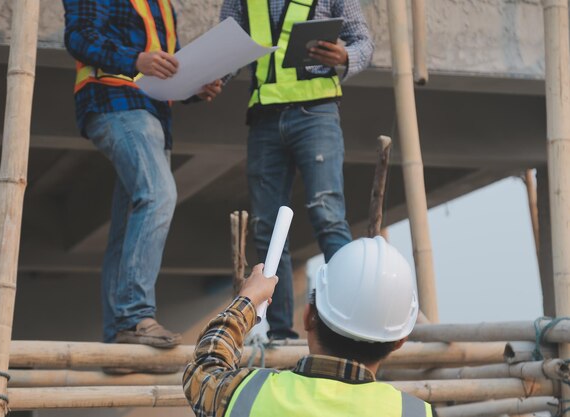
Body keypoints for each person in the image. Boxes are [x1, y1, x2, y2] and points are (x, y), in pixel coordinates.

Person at [62, 0, 222, 349]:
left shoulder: (163, 5)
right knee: (158, 194)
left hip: (152, 114)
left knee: (130, 220)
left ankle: (120, 333)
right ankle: (134, 317)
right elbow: (78, 37)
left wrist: (194, 87)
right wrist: (135, 59)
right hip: (114, 103)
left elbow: (167, 67)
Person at [220, 0, 375, 340]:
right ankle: (280, 332)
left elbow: (363, 41)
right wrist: (211, 77)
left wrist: (345, 56)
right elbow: (228, 46)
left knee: (328, 215)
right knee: (267, 227)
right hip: (264, 118)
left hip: (316, 114)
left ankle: (348, 324)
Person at [184, 236, 432, 417]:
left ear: (308, 317)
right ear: (400, 340)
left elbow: (204, 369)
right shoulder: (417, 413)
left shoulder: (251, 393)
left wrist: (248, 299)